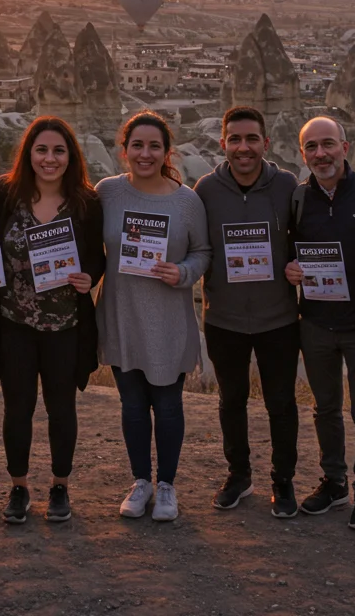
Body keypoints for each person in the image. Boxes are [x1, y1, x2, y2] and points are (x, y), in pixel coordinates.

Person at [0, 117, 105, 524]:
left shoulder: (86, 202)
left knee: (62, 408)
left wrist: (89, 275)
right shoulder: (5, 194)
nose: (49, 158)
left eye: (58, 150)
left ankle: (60, 485)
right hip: (14, 322)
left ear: (70, 156)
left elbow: (96, 255)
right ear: (29, 154)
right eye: (41, 150)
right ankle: (19, 487)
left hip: (65, 325)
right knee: (16, 408)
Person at [96, 111, 211, 522]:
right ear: (123, 150)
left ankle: (166, 486)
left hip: (168, 314)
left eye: (154, 146)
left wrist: (182, 273)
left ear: (167, 152)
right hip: (122, 313)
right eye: (137, 146)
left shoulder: (186, 200)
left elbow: (203, 253)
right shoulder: (107, 192)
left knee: (167, 404)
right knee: (131, 404)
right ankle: (140, 480)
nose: (145, 154)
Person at [283, 116, 355, 531]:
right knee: (325, 407)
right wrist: (291, 270)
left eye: (328, 145)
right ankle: (334, 480)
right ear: (302, 153)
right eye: (312, 147)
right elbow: (288, 252)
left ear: (345, 147)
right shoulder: (297, 200)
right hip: (316, 323)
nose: (321, 154)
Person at [194, 106, 299, 516]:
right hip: (224, 319)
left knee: (281, 403)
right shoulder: (205, 190)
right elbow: (198, 247)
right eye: (235, 139)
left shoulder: (287, 186)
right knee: (230, 401)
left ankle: (283, 481)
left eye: (251, 139)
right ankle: (239, 476)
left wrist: (298, 266)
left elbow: (303, 240)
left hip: (279, 319)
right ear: (223, 143)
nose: (243, 147)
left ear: (265, 144)